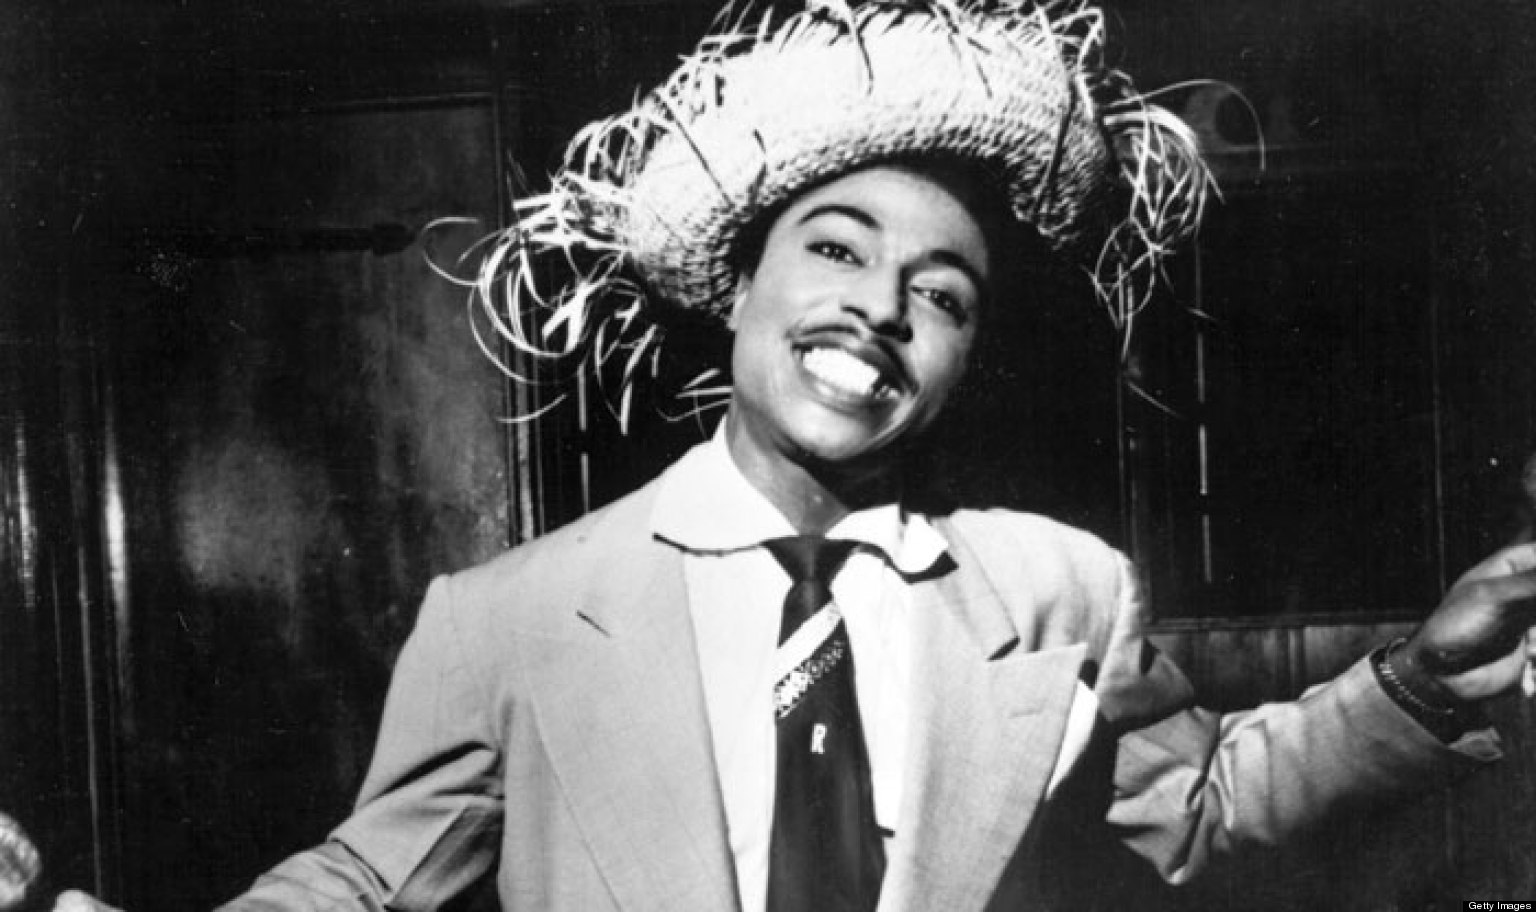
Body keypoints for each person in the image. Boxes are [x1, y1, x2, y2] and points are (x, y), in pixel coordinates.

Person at [57, 1, 1536, 911]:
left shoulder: (1060, 589)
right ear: (737, 288)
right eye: (835, 248)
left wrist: (1419, 679)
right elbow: (364, 886)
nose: (880, 309)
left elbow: (1201, 816)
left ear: (965, 358)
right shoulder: (511, 616)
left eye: (942, 295)